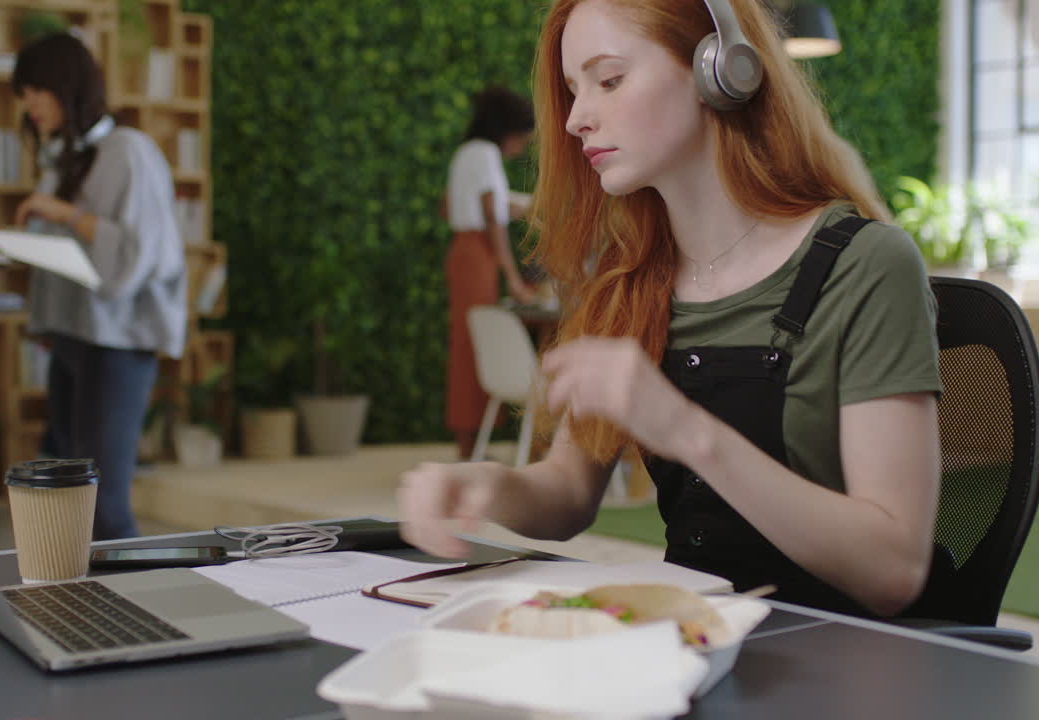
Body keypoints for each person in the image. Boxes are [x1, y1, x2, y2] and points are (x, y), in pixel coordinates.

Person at [399, 0, 943, 619]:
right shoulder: (627, 278)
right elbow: (568, 492)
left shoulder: (866, 265)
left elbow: (893, 570)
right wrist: (485, 486)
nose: (575, 119)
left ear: (720, 71)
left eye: (609, 80)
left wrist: (683, 429)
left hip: (837, 650)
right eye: (573, 91)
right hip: (686, 642)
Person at [11, 33, 186, 540]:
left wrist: (63, 213)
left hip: (118, 345)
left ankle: (135, 596)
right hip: (73, 340)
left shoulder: (128, 151)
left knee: (103, 505)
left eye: (36, 90)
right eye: (24, 94)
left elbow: (135, 257)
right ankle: (82, 592)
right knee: (72, 503)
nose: (29, 105)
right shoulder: (64, 156)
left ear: (67, 86)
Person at [443, 86, 539, 460]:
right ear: (508, 131)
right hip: (476, 254)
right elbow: (492, 218)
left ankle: (469, 444)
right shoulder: (484, 155)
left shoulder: (467, 153)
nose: (522, 146)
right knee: (474, 344)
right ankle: (470, 446)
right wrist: (513, 278)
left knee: (469, 342)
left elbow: (451, 205)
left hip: (464, 250)